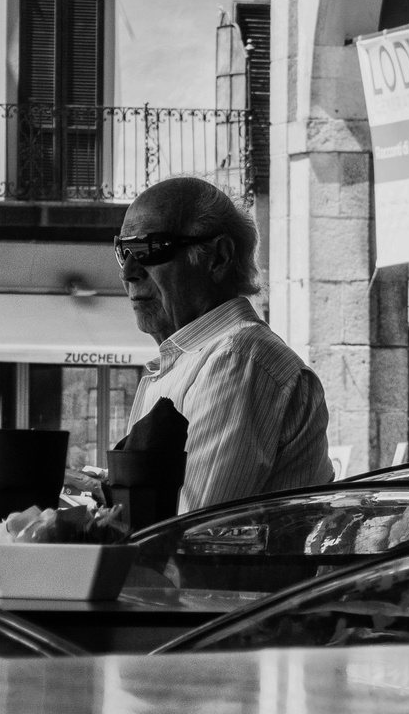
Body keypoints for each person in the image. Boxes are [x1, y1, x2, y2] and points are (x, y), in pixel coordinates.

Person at [116, 176, 332, 512]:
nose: (128, 271)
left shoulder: (238, 359)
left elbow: (186, 529)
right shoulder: (200, 359)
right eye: (123, 251)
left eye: (149, 249)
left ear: (217, 258)